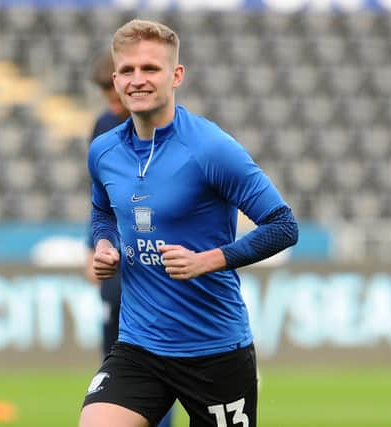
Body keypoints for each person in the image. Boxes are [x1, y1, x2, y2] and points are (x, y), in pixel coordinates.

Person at [80, 19, 298, 427]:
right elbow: (102, 210)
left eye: (150, 69)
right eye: (127, 70)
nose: (137, 80)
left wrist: (209, 260)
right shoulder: (104, 151)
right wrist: (104, 243)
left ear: (176, 75)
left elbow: (283, 225)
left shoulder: (210, 148)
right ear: (115, 78)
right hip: (139, 346)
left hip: (213, 351)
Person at [84, 49, 174, 427]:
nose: (112, 104)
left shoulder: (163, 128)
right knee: (117, 358)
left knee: (161, 361)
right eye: (107, 94)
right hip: (118, 266)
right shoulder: (104, 127)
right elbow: (99, 198)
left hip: (153, 260)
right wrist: (93, 246)